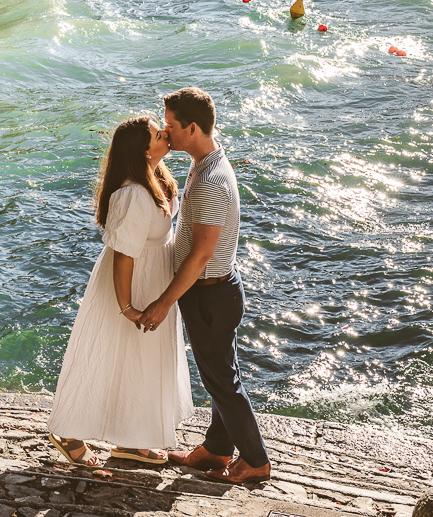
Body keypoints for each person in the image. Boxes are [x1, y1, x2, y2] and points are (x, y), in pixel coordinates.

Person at [137, 87, 272, 485]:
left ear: (192, 128)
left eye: (171, 127)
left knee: (222, 380)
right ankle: (216, 449)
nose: (166, 132)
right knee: (217, 372)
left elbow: (201, 253)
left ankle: (256, 460)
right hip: (210, 290)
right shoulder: (204, 162)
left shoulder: (212, 179)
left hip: (212, 291)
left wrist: (164, 302)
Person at [46, 115, 194, 467]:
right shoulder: (132, 193)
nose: (166, 134)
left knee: (140, 361)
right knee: (106, 356)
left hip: (153, 277)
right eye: (159, 134)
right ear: (144, 151)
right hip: (131, 283)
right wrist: (126, 306)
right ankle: (69, 431)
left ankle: (133, 439)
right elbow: (125, 255)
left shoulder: (156, 177)